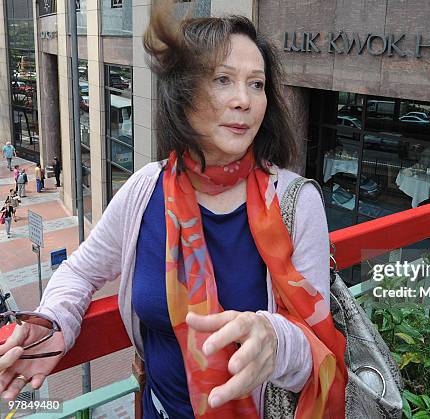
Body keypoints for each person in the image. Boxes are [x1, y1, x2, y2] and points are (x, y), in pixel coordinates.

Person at [0, 10, 347, 419]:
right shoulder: (146, 190)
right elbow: (79, 272)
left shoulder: (295, 202)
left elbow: (316, 346)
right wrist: (53, 321)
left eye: (257, 84)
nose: (244, 99)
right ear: (183, 94)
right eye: (223, 79)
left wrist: (275, 340)